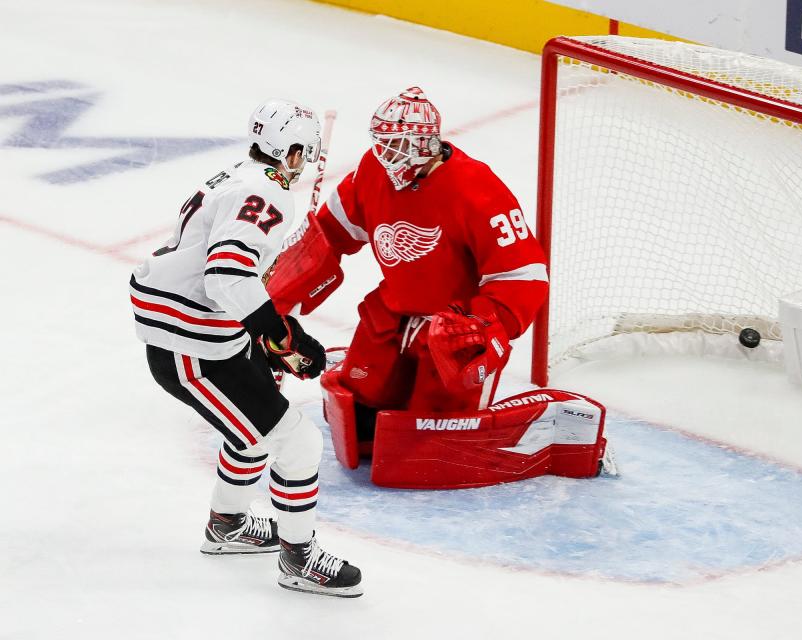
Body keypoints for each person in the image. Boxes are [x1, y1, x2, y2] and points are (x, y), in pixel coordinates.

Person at [128, 98, 362, 597]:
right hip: (190, 343)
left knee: (254, 430)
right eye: (306, 153)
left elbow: (229, 275)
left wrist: (266, 330)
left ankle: (226, 525)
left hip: (201, 329)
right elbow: (228, 276)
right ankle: (298, 559)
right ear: (293, 153)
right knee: (297, 443)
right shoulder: (266, 195)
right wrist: (279, 335)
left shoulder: (240, 177)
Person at [268, 87, 549, 453]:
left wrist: (484, 326)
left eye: (396, 145)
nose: (385, 155)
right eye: (382, 143)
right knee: (359, 412)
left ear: (424, 144)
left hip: (450, 330)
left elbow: (524, 275)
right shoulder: (372, 171)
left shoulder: (477, 189)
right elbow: (332, 233)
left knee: (429, 440)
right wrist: (285, 288)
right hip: (393, 314)